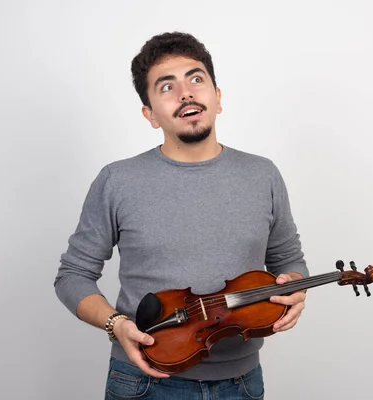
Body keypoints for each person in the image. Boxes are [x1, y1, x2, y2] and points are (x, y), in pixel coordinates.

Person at [54, 31, 309, 400]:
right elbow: (73, 275)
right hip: (144, 382)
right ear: (150, 114)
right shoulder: (117, 180)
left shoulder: (263, 174)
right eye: (166, 87)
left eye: (196, 79)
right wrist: (116, 324)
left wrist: (296, 289)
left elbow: (288, 259)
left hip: (243, 384)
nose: (186, 93)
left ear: (217, 98)